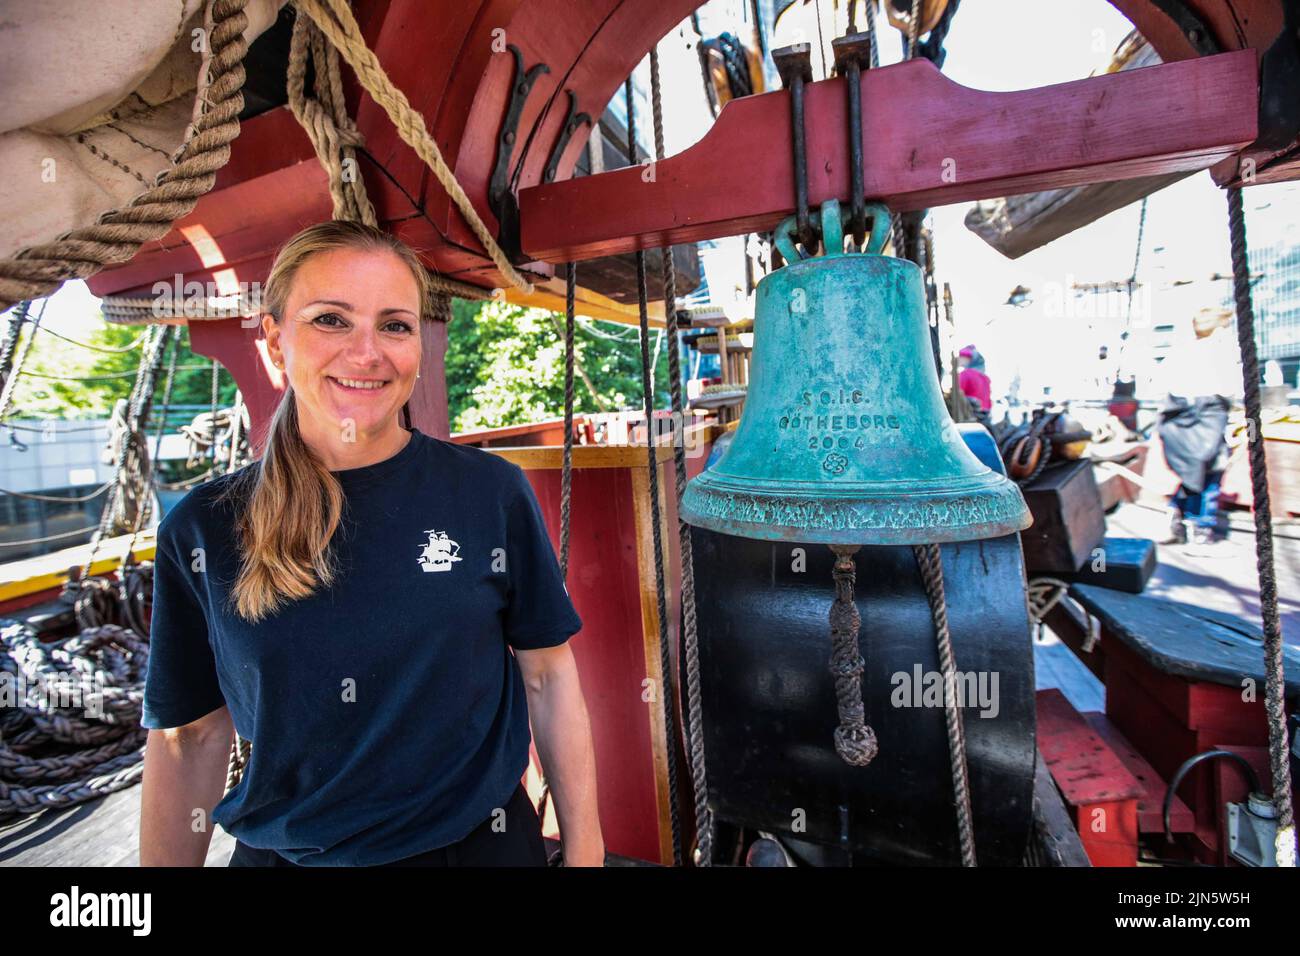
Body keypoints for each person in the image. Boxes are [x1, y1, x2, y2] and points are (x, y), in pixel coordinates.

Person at [138, 220, 603, 867]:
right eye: (331, 319)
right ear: (275, 343)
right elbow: (189, 738)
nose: (368, 352)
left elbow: (548, 676)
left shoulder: (489, 494)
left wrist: (586, 851)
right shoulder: (203, 528)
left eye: (395, 324)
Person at [1155, 308, 1241, 548]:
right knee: (1210, 476)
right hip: (1206, 426)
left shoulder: (1180, 353)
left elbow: (1163, 390)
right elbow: (1236, 394)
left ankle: (1174, 521)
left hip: (1180, 427)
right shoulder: (1222, 354)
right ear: (1219, 329)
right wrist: (1250, 434)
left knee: (1194, 475)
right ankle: (1201, 530)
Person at [958, 345, 992, 414]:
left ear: (970, 358)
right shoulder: (986, 379)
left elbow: (957, 394)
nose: (959, 359)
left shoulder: (965, 374)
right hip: (984, 420)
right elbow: (989, 403)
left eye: (962, 356)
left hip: (969, 417)